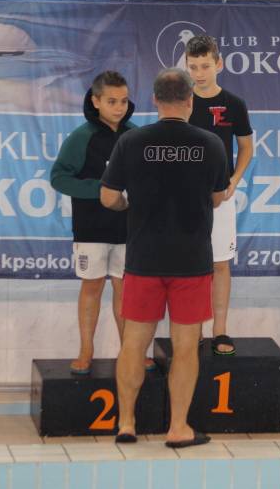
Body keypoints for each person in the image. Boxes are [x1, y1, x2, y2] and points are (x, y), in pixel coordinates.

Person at [100, 68, 228, 448]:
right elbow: (218, 197)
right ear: (190, 100)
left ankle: (126, 423)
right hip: (191, 262)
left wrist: (128, 206)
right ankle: (178, 428)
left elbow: (108, 197)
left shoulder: (131, 141)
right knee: (186, 347)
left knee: (133, 344)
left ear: (155, 99)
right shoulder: (211, 144)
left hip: (144, 260)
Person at [51, 71, 144, 374]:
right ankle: (86, 350)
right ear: (96, 101)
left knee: (125, 289)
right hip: (91, 228)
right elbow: (59, 177)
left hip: (128, 229)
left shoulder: (135, 136)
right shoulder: (82, 137)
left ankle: (130, 351)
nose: (119, 107)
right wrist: (100, 190)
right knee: (91, 287)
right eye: (111, 101)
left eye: (123, 101)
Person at [185, 35, 253, 356]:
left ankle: (220, 330)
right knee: (191, 265)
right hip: (186, 198)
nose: (199, 73)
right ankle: (193, 329)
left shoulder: (234, 104)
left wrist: (234, 180)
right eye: (193, 66)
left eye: (205, 66)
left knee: (220, 264)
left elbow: (246, 147)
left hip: (221, 196)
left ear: (219, 64)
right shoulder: (181, 102)